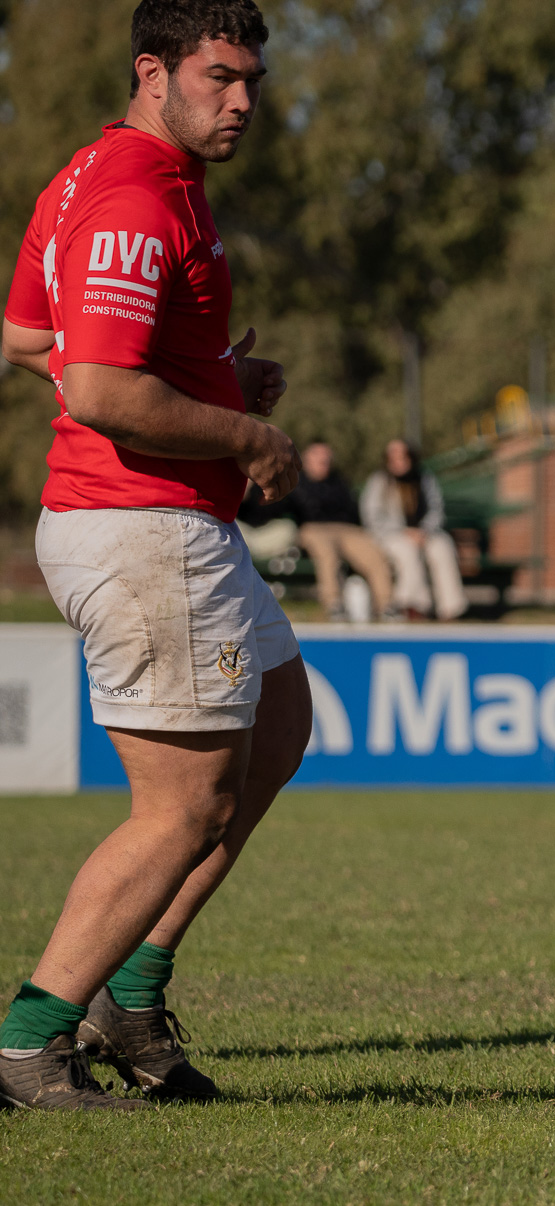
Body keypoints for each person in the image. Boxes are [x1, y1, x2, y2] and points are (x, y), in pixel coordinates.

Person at [0, 0, 310, 1110]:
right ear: (153, 70)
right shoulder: (135, 197)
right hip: (145, 526)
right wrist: (246, 432)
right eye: (220, 78)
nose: (242, 102)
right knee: (179, 810)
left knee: (277, 724)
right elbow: (99, 389)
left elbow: (32, 338)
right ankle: (33, 1041)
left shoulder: (100, 174)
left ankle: (130, 991)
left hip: (160, 522)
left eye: (254, 83)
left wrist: (214, 380)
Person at [360, 439, 467, 621]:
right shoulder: (379, 481)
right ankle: (414, 605)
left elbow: (436, 508)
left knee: (442, 547)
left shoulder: (424, 478)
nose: (398, 461)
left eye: (402, 456)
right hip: (391, 535)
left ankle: (451, 608)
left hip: (424, 532)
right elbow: (372, 515)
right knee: (407, 551)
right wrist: (404, 531)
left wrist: (424, 530)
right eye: (393, 457)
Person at [287, 441, 394, 622]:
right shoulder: (296, 482)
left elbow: (352, 511)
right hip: (313, 528)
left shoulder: (339, 481)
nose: (323, 460)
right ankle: (334, 605)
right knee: (327, 555)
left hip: (347, 530)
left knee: (375, 555)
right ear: (306, 457)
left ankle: (387, 606)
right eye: (318, 455)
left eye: (326, 456)